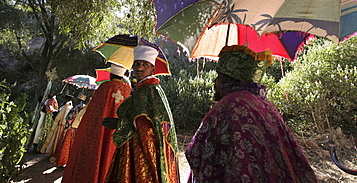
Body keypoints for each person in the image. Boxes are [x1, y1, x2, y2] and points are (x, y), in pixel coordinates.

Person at [185, 45, 319, 183]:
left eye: (218, 76)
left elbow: (196, 151)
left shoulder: (229, 106)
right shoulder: (265, 106)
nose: (214, 81)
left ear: (230, 79)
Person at [105, 45, 180, 183]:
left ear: (153, 69)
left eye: (145, 65)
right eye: (137, 64)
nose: (139, 68)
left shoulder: (150, 90)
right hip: (133, 147)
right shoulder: (141, 90)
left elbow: (147, 126)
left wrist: (119, 124)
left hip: (143, 151)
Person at [62, 64, 132, 183]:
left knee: (96, 156)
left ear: (111, 74)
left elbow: (93, 112)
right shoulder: (127, 90)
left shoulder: (104, 87)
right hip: (118, 132)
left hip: (100, 130)